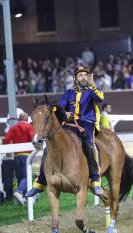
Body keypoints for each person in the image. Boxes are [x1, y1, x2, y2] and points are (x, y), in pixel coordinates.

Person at [25, 66, 104, 197]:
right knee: (49, 147)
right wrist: (61, 111)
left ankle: (95, 181)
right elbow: (61, 106)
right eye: (80, 75)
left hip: (87, 124)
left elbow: (100, 99)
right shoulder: (69, 93)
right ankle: (40, 183)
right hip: (70, 124)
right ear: (75, 78)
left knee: (89, 145)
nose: (83, 77)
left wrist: (93, 84)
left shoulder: (91, 91)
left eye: (85, 75)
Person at [4, 112, 35, 205]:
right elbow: (33, 138)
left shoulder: (13, 128)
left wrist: (8, 152)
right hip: (26, 155)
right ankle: (20, 191)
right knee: (27, 176)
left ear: (19, 119)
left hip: (16, 156)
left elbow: (7, 139)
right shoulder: (29, 127)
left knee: (20, 177)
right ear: (27, 120)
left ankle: (24, 198)